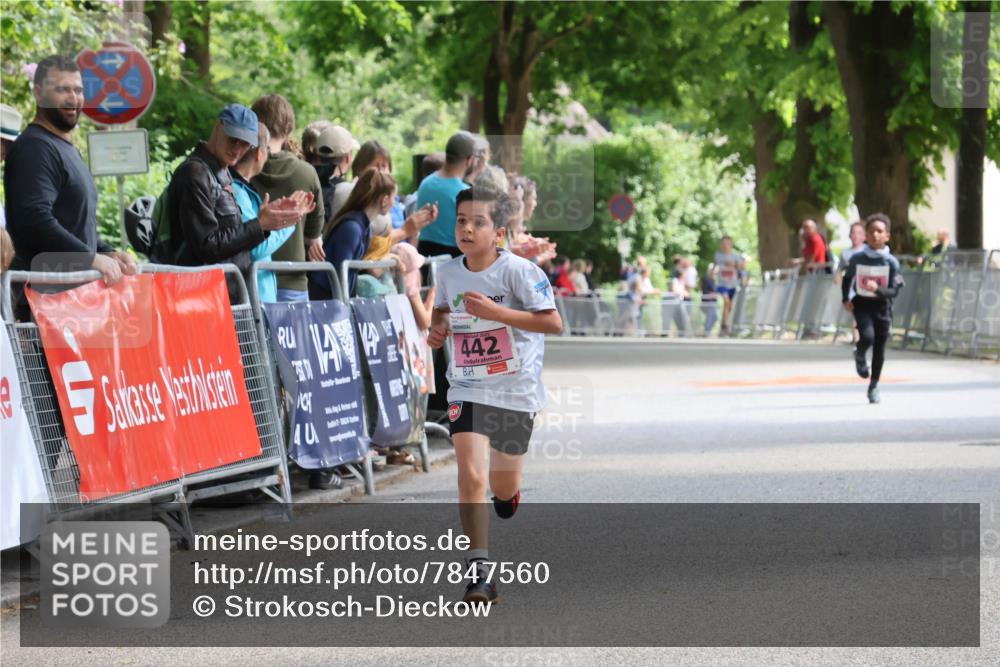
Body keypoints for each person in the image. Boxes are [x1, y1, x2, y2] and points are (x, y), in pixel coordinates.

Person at [427, 185, 562, 604]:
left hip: (515, 389)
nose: (467, 228)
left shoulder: (521, 273)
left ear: (499, 233)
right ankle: (479, 573)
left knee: (502, 488)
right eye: (461, 220)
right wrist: (437, 328)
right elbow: (443, 309)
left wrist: (497, 313)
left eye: (478, 222)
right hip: (466, 385)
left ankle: (508, 497)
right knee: (469, 476)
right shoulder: (447, 272)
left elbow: (553, 323)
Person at [4, 55, 137, 318]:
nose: (73, 98)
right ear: (39, 93)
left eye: (77, 90)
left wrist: (105, 251)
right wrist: (89, 258)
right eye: (62, 89)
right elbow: (33, 218)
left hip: (70, 307)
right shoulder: (35, 148)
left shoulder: (64, 148)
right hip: (39, 308)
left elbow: (74, 223)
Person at [166, 104, 307, 288]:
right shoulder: (195, 173)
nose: (238, 148)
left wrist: (262, 223)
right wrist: (260, 224)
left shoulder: (222, 173)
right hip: (202, 295)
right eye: (233, 138)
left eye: (245, 143)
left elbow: (228, 239)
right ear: (218, 126)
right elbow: (207, 246)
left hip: (226, 294)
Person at [250, 95, 326, 303]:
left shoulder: (243, 169)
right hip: (293, 281)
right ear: (288, 129)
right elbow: (313, 234)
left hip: (250, 281)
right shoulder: (307, 173)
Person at [842, 213, 904, 405]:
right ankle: (860, 353)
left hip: (882, 308)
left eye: (880, 231)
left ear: (887, 236)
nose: (875, 235)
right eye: (871, 231)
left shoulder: (891, 262)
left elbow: (894, 290)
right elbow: (847, 279)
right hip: (862, 305)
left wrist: (878, 289)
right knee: (868, 337)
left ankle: (874, 386)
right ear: (866, 236)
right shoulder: (858, 258)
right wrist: (846, 298)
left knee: (879, 348)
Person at [309, 168, 397, 299]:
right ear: (384, 200)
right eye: (393, 198)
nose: (394, 203)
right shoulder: (352, 228)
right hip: (326, 300)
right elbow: (342, 273)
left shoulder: (362, 227)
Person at [231, 123, 294, 303]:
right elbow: (257, 247)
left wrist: (277, 214)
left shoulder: (241, 189)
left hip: (255, 296)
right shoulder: (238, 192)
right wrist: (288, 221)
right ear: (259, 153)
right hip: (252, 301)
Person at [416, 131, 478, 258]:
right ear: (469, 160)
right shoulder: (465, 194)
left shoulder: (425, 184)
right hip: (455, 264)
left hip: (425, 260)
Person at [714, 236, 745, 335]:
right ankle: (725, 326)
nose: (725, 246)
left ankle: (725, 325)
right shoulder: (718, 255)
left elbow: (742, 266)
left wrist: (734, 265)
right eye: (723, 244)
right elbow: (715, 266)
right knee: (726, 301)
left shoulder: (735, 255)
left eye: (727, 243)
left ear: (731, 244)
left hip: (733, 284)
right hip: (722, 283)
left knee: (729, 306)